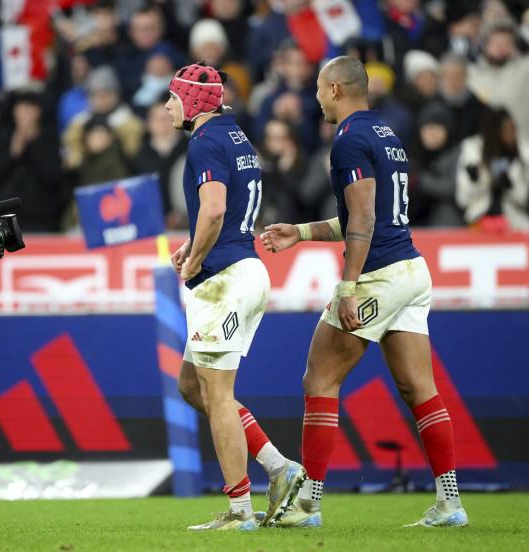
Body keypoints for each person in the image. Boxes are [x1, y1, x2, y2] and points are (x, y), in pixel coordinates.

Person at [260, 56, 468, 528]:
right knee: (420, 390)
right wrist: (302, 232)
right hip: (412, 271)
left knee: (319, 380)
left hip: (380, 276)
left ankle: (307, 504)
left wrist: (348, 287)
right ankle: (450, 501)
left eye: (317, 89)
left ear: (334, 89)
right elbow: (365, 216)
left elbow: (366, 220)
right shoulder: (387, 136)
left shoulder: (348, 138)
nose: (315, 98)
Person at [165, 62, 305, 532]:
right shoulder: (237, 137)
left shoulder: (204, 141)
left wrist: (194, 257)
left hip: (224, 278)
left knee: (219, 396)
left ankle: (240, 510)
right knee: (192, 386)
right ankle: (279, 467)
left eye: (173, 97)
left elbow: (215, 206)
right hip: (243, 268)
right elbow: (222, 212)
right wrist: (196, 243)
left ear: (194, 102)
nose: (168, 106)